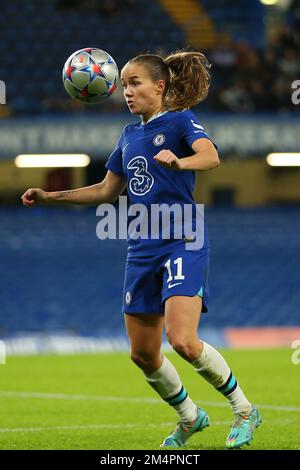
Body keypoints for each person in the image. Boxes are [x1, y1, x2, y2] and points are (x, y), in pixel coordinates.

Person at [21, 51, 261, 449]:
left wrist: (180, 163)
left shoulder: (182, 120)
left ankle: (243, 409)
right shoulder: (129, 135)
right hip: (141, 246)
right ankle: (190, 417)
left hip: (184, 239)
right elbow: (104, 190)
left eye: (135, 84)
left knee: (182, 340)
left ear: (160, 86)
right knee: (143, 354)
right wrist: (51, 195)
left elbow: (211, 156)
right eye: (124, 85)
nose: (126, 92)